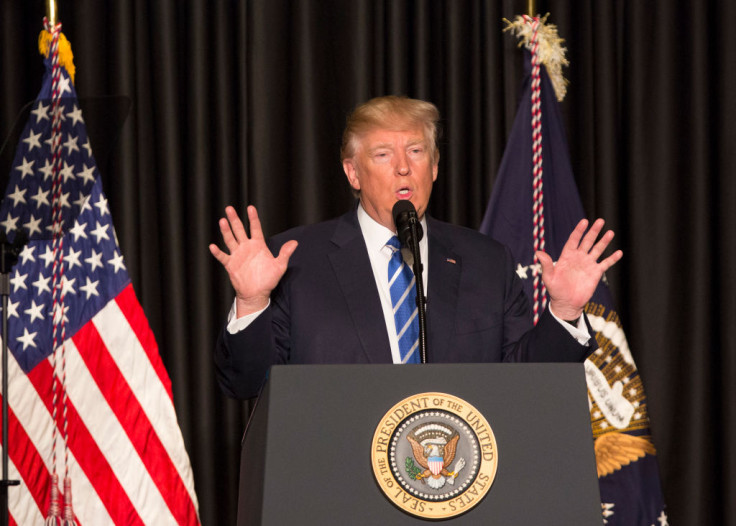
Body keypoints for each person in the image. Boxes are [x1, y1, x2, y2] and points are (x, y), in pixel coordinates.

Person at [210, 96, 622, 400]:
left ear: (435, 166)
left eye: (416, 151)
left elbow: (526, 387)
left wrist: (565, 312)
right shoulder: (296, 262)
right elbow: (247, 384)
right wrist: (251, 302)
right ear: (352, 172)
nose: (403, 167)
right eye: (383, 154)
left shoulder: (487, 261)